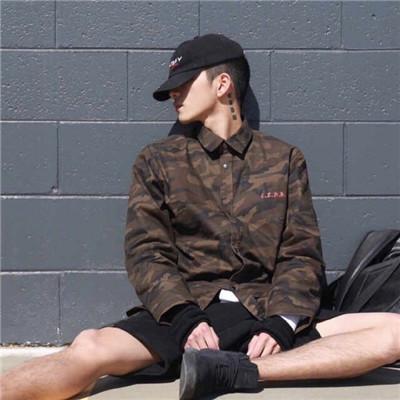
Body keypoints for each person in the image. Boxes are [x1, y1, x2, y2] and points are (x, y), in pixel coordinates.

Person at [1, 33, 399, 400]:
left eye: (185, 83)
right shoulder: (158, 161)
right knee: (89, 347)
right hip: (186, 313)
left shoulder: (283, 159)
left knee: (394, 331)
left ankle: (237, 371)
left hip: (263, 312)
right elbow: (146, 252)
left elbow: (301, 253)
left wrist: (282, 323)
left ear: (223, 84)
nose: (174, 94)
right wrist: (185, 319)